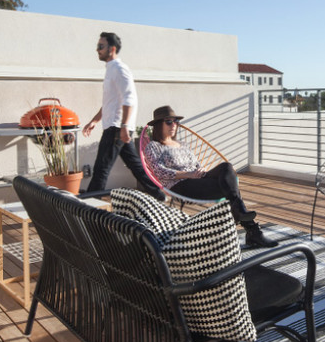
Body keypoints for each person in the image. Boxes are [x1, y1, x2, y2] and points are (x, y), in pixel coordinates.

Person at [142, 105, 278, 248]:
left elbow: (195, 163)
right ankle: (250, 227)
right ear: (158, 125)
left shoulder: (182, 144)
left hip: (197, 179)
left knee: (226, 167)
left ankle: (241, 214)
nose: (174, 125)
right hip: (180, 185)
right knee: (228, 187)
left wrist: (200, 170)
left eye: (176, 121)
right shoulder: (153, 146)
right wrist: (188, 174)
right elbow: (159, 171)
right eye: (168, 121)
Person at [82, 32, 164, 200]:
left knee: (101, 169)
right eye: (97, 46)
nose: (97, 50)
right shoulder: (111, 70)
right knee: (135, 166)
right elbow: (110, 103)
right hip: (117, 126)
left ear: (112, 49)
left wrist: (125, 126)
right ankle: (159, 195)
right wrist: (94, 121)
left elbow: (129, 98)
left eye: (101, 46)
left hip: (117, 127)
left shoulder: (119, 69)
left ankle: (88, 207)